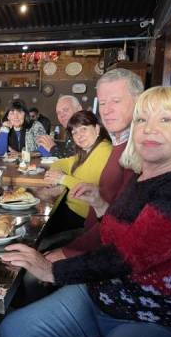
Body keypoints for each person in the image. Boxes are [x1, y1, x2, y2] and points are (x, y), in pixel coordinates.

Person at [0, 86, 171, 337]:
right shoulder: (144, 174)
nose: (149, 129)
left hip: (160, 319)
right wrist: (101, 206)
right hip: (101, 296)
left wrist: (52, 270)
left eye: (165, 120)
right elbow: (118, 233)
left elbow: (128, 255)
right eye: (142, 120)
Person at [44, 69, 143, 260]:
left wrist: (66, 253)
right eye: (103, 103)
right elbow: (107, 214)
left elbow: (124, 232)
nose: (106, 110)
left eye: (116, 101)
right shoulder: (118, 145)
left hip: (98, 250)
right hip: (93, 238)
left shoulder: (133, 151)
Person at [43, 111, 111, 231]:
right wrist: (54, 174)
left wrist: (62, 178)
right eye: (74, 132)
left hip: (83, 220)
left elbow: (89, 190)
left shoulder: (104, 150)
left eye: (83, 129)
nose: (79, 136)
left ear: (97, 129)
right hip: (69, 211)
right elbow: (63, 162)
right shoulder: (86, 151)